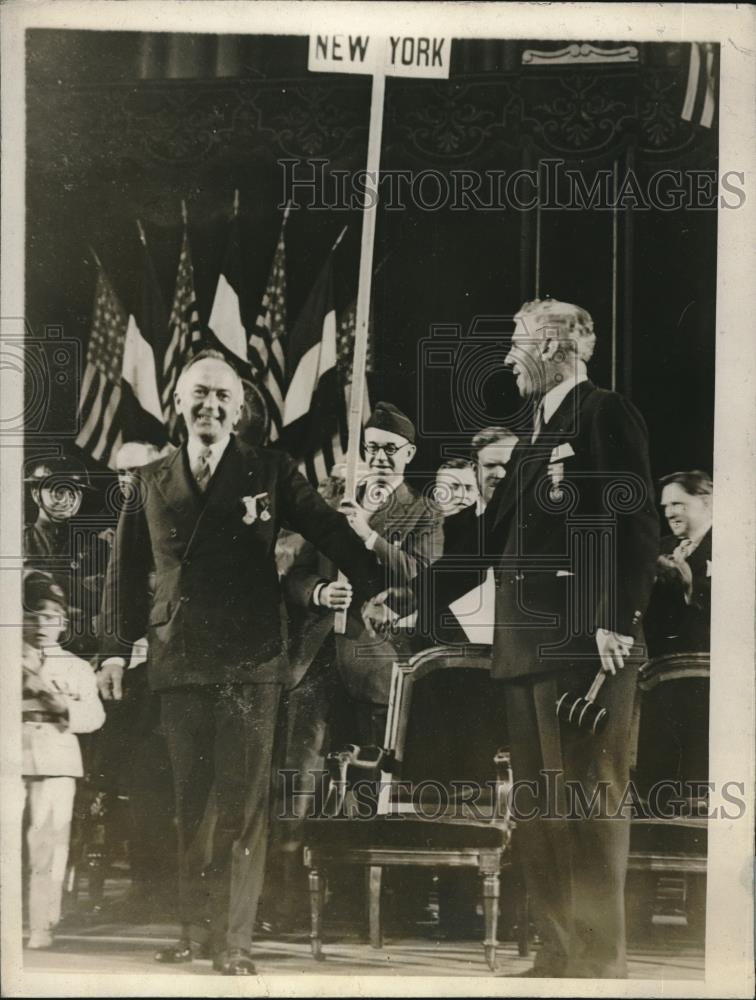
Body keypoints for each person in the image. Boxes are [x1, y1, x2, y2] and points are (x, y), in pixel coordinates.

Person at [366, 299, 659, 977]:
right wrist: (404, 582)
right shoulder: (533, 433)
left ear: (559, 346)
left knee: (587, 808)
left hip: (587, 648)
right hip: (525, 651)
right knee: (541, 815)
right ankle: (558, 954)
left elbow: (637, 523)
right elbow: (493, 555)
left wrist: (617, 616)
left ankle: (599, 967)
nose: (504, 359)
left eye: (517, 343)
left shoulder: (603, 413)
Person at [99, 349, 384, 975]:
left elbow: (327, 528)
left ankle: (233, 943)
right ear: (179, 402)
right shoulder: (147, 480)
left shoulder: (273, 470)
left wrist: (373, 575)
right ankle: (192, 929)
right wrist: (116, 653)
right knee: (189, 801)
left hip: (252, 660)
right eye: (200, 394)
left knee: (243, 804)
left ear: (240, 408)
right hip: (180, 658)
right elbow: (123, 579)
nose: (211, 406)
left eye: (223, 397)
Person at [94, 440, 176, 917]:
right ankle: (147, 886)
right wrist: (116, 655)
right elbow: (120, 586)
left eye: (138, 473)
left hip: (188, 666)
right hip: (139, 679)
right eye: (123, 475)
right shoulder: (122, 531)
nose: (131, 482)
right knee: (142, 779)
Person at [334, 401, 444, 746]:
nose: (379, 457)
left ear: (409, 454)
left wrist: (369, 535)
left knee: (371, 766)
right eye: (372, 447)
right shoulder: (340, 498)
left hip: (376, 656)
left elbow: (422, 574)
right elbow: (304, 566)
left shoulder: (425, 510)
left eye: (390, 449)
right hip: (322, 652)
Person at [22, 571, 105, 950]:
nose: (41, 624)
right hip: (11, 760)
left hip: (56, 761)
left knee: (49, 845)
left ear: (64, 622)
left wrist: (60, 705)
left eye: (50, 615)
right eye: (33, 614)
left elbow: (94, 718)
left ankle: (42, 924)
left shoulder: (76, 667)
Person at [24, 456, 109, 658]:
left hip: (83, 651)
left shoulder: (97, 546)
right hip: (28, 650)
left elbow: (106, 594)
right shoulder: (14, 541)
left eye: (74, 492)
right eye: (58, 490)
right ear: (36, 494)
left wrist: (41, 578)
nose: (67, 498)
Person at [645, 470, 712, 657]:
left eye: (677, 504)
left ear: (706, 503)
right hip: (659, 667)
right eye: (665, 506)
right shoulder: (658, 548)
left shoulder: (736, 544)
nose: (668, 513)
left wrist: (690, 585)